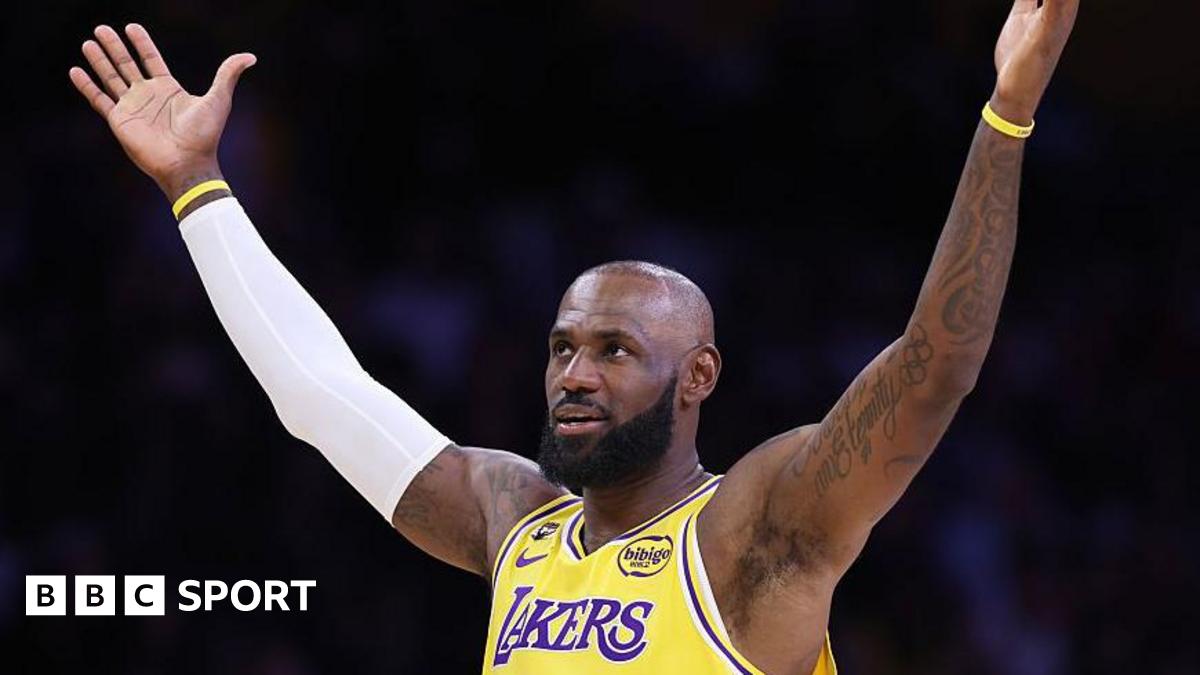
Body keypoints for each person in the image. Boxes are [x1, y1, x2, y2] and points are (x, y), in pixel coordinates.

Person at [68, 3, 1079, 672]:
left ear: (699, 376)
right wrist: (196, 188)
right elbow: (320, 393)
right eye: (561, 348)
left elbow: (934, 364)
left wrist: (1010, 112)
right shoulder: (519, 528)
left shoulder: (754, 534)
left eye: (614, 351)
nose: (573, 375)